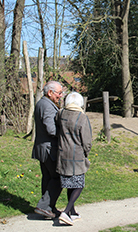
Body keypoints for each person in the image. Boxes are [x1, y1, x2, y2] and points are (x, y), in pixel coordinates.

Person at [55, 92, 92, 226]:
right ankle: (66, 212)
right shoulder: (82, 118)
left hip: (62, 154)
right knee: (79, 185)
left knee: (70, 183)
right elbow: (87, 141)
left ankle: (73, 212)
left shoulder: (60, 114)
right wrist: (86, 152)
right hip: (76, 156)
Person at [31, 81, 64, 219]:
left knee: (48, 178)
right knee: (59, 178)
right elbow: (51, 129)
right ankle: (44, 206)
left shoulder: (41, 103)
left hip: (41, 148)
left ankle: (48, 208)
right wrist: (65, 132)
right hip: (49, 149)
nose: (60, 96)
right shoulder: (47, 106)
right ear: (50, 92)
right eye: (59, 93)